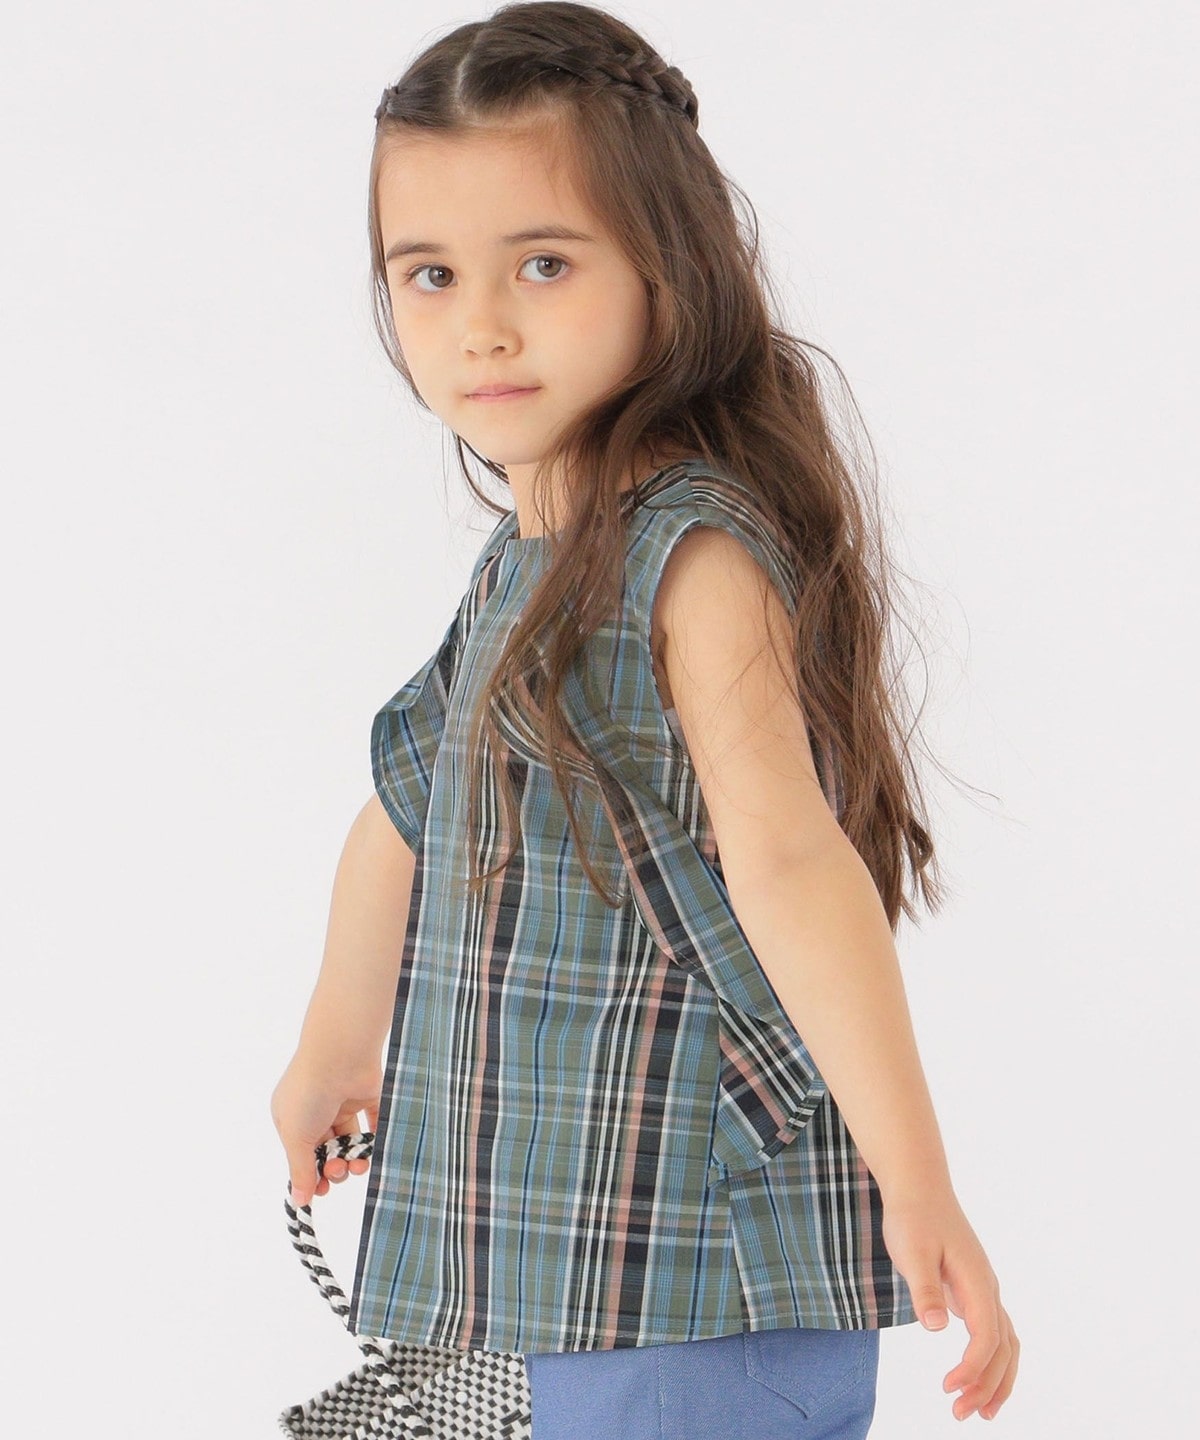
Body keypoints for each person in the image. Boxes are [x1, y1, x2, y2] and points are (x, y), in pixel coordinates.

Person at [270, 3, 1019, 1434]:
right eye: (429, 274)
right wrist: (334, 1045)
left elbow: (790, 861)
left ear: (668, 270)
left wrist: (914, 1179)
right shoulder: (526, 562)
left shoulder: (694, 552)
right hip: (556, 1253)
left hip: (694, 1264)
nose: (481, 324)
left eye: (544, 264)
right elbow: (408, 813)